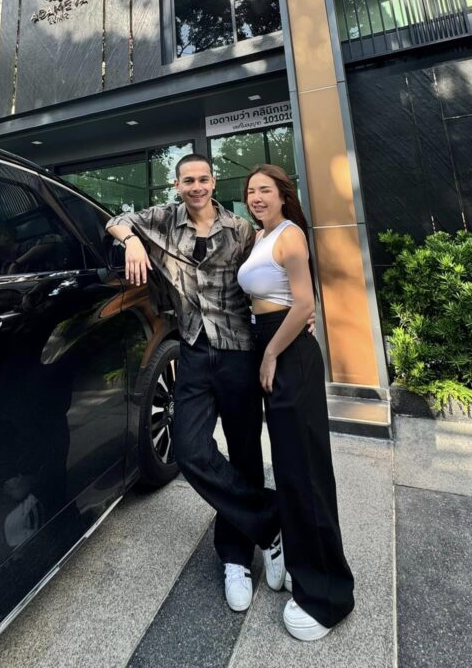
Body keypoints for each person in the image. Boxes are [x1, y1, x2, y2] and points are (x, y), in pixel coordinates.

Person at [105, 154, 287, 612]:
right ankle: (271, 521)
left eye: (203, 179)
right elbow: (114, 220)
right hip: (192, 349)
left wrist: (296, 314)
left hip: (238, 349)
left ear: (213, 182)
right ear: (177, 185)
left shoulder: (240, 229)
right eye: (188, 180)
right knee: (189, 449)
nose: (197, 187)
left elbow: (267, 273)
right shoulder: (163, 220)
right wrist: (132, 242)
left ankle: (236, 556)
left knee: (245, 452)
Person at [238, 163, 355, 641]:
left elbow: (304, 304)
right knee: (289, 469)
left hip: (289, 355)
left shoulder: (290, 236)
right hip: (272, 343)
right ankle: (304, 563)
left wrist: (270, 352)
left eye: (265, 189)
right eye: (250, 191)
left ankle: (327, 596)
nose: (256, 197)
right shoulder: (259, 237)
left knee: (306, 471)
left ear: (284, 194)